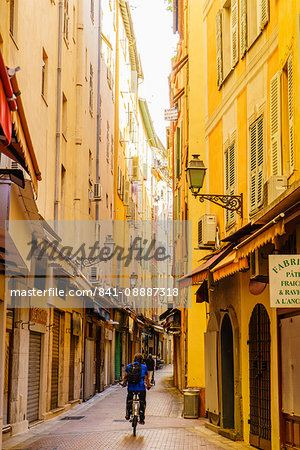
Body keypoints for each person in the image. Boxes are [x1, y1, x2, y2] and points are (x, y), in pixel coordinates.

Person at [123, 353, 151, 425]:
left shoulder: (129, 366)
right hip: (141, 387)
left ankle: (128, 414)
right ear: (141, 360)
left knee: (129, 399)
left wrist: (124, 383)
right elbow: (146, 378)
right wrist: (148, 385)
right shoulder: (144, 367)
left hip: (131, 387)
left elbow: (125, 377)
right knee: (142, 401)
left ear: (134, 359)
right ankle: (141, 419)